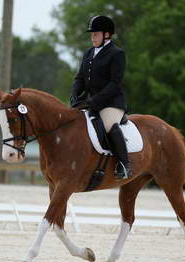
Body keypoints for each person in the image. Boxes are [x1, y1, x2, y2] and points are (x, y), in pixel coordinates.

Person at [70, 15, 132, 179]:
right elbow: (80, 78)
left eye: (95, 34)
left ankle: (124, 164)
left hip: (111, 103)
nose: (92, 37)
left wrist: (94, 101)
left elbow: (114, 83)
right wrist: (75, 94)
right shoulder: (89, 53)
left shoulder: (117, 54)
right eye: (91, 34)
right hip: (90, 101)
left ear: (107, 35)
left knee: (109, 125)